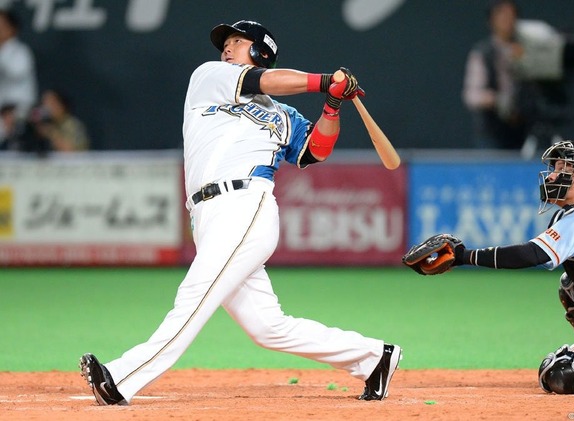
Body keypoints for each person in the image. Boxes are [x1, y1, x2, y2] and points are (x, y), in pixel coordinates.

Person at [79, 20, 401, 406]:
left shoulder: (284, 115)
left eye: (237, 41)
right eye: (226, 42)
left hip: (245, 205)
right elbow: (264, 81)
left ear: (261, 51)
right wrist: (323, 81)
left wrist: (332, 104)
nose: (227, 48)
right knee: (268, 327)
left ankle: (121, 378)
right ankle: (373, 358)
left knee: (194, 296)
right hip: (207, 215)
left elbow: (315, 151)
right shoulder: (210, 77)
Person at [404, 140, 574, 394]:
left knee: (558, 372)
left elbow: (531, 254)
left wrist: (464, 256)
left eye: (563, 169)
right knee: (570, 286)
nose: (552, 175)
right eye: (554, 168)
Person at [462, 0, 533, 150]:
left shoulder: (527, 50)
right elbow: (472, 95)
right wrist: (498, 101)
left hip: (524, 129)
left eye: (511, 16)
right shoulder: (483, 53)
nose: (507, 21)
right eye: (501, 16)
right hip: (492, 132)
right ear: (491, 21)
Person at [0, 9, 37, 142]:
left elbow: (16, 73)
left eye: (2, 25)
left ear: (12, 28)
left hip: (18, 112)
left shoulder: (20, 51)